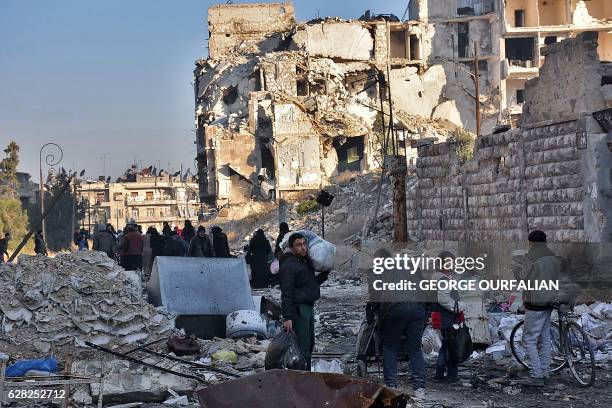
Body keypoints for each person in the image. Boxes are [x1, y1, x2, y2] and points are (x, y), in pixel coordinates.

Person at [372, 248, 427, 397]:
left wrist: (375, 315)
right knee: (415, 348)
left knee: (390, 347)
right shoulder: (409, 264)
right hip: (417, 308)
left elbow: (375, 296)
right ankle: (419, 388)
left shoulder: (380, 269)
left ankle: (391, 386)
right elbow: (424, 286)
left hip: (395, 309)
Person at [514, 230, 562, 387]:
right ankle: (545, 371)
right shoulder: (553, 256)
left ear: (531, 242)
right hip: (549, 302)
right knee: (545, 338)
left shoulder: (531, 257)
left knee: (529, 339)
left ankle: (536, 375)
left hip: (535, 303)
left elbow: (523, 277)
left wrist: (516, 270)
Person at [280, 233, 330, 370]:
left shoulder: (303, 263)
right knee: (302, 345)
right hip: (299, 309)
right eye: (298, 245)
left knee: (309, 344)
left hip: (308, 308)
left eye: (304, 244)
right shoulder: (289, 266)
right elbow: (286, 293)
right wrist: (288, 317)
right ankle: (301, 376)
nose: (303, 247)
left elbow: (311, 284)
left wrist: (325, 273)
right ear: (291, 247)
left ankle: (305, 374)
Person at [432, 251, 465, 384]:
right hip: (446, 316)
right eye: (449, 262)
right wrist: (459, 306)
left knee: (445, 345)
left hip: (440, 315)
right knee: (451, 346)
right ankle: (451, 375)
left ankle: (439, 374)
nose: (452, 265)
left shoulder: (438, 277)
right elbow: (444, 300)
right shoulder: (443, 279)